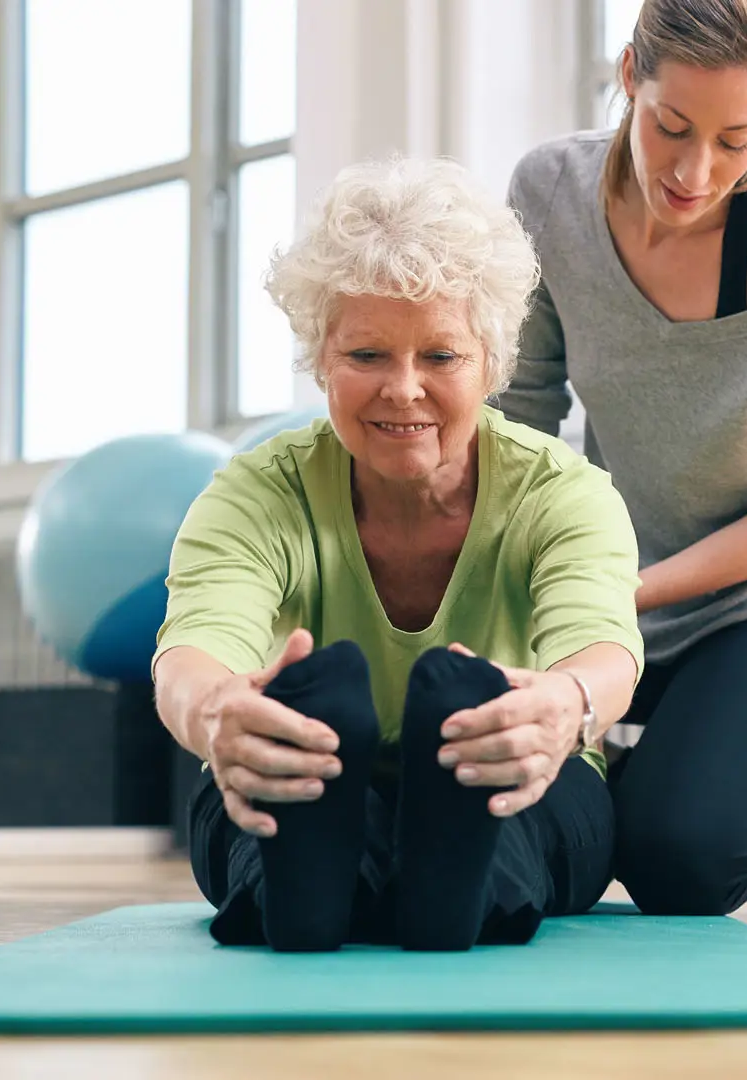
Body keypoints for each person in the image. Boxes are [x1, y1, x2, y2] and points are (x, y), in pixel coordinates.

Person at [152, 156, 646, 953]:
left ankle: (430, 877)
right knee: (271, 806)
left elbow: (603, 649)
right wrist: (218, 716)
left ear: (492, 363)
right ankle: (347, 881)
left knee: (510, 821)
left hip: (513, 766)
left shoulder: (563, 493)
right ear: (321, 360)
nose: (404, 390)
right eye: (367, 356)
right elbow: (190, 654)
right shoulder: (255, 492)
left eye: (441, 357)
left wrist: (565, 707)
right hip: (306, 768)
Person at [497, 0, 747, 918]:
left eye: (735, 140)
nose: (694, 170)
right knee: (536, 822)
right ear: (630, 71)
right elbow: (519, 418)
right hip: (609, 599)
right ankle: (676, 752)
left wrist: (627, 591)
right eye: (671, 126)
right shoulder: (548, 196)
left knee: (681, 863)